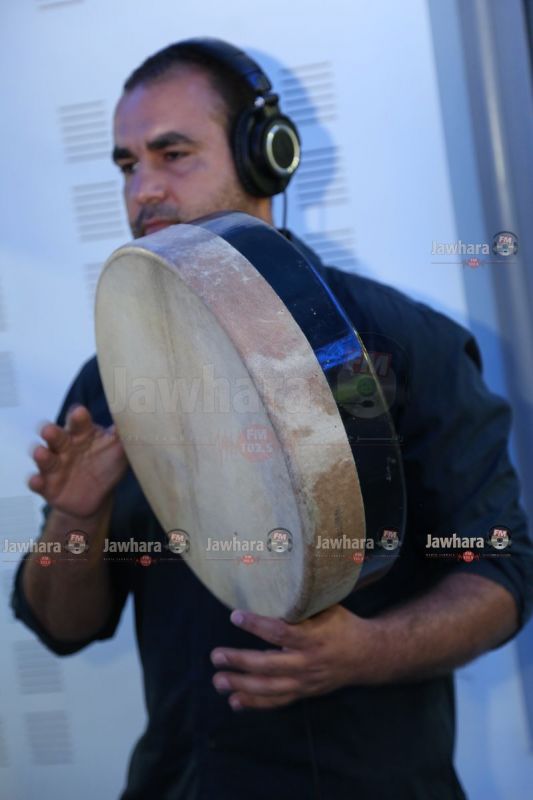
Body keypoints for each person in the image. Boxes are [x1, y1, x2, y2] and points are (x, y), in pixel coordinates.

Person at [10, 38, 533, 800]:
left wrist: (367, 652)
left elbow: (501, 570)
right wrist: (75, 520)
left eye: (173, 154)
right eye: (127, 165)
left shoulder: (401, 342)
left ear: (265, 157)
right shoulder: (111, 376)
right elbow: (62, 627)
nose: (143, 190)